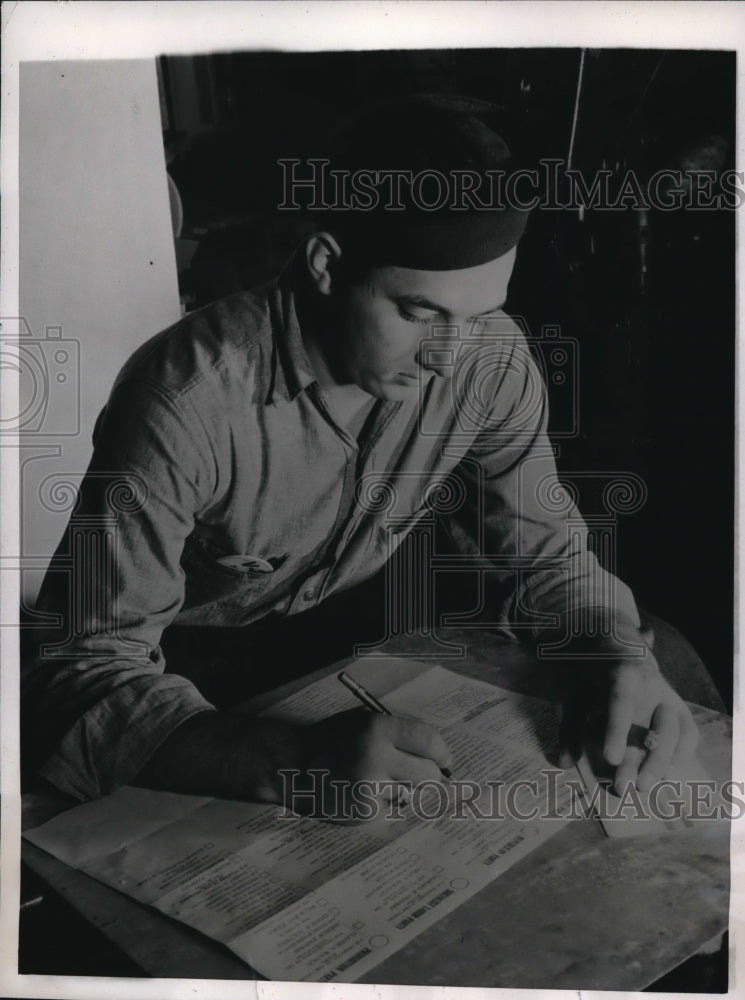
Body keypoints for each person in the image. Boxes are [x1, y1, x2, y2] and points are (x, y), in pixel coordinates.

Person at [22, 95, 697, 812]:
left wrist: (612, 649)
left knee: (663, 657)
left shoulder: (486, 358)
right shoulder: (183, 403)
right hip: (199, 672)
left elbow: (544, 554)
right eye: (417, 311)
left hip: (367, 627)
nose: (447, 356)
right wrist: (295, 763)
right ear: (324, 264)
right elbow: (77, 672)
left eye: (477, 314)